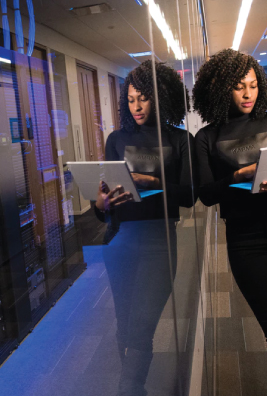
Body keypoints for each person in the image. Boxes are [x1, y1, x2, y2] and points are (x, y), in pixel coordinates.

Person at [193, 49, 267, 396]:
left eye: (252, 85)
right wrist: (240, 175)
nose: (248, 94)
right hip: (246, 242)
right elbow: (206, 194)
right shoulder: (207, 137)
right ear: (219, 89)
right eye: (238, 87)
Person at [94, 60, 194, 396]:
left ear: (161, 97)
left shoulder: (180, 140)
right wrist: (100, 205)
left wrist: (155, 181)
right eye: (132, 99)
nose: (136, 106)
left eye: (144, 98)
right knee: (125, 326)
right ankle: (133, 388)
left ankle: (128, 388)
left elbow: (192, 196)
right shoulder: (116, 139)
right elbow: (104, 207)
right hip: (120, 239)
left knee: (141, 324)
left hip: (159, 240)